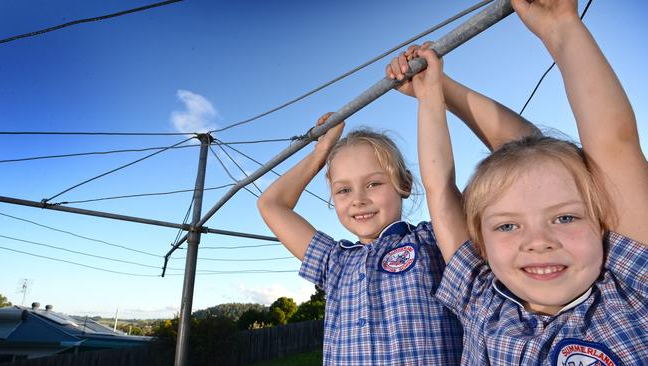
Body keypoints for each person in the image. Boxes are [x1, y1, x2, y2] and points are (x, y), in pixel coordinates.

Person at [393, 0, 648, 364]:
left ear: (602, 222)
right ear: (480, 240)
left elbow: (614, 145)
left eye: (565, 218)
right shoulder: (482, 298)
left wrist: (562, 28)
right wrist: (430, 93)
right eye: (508, 225)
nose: (538, 242)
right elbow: (440, 187)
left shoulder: (632, 291)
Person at [258, 40, 538, 366]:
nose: (359, 199)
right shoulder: (335, 263)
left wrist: (437, 89)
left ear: (403, 184)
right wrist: (321, 152)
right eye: (343, 190)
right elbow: (271, 204)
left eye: (374, 183)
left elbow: (526, 148)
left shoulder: (435, 240)